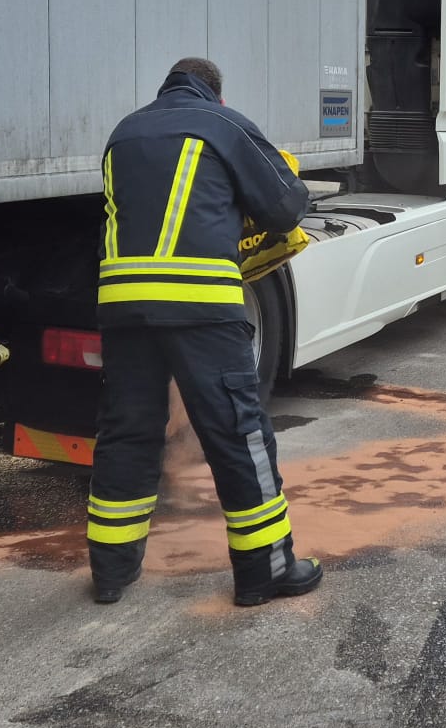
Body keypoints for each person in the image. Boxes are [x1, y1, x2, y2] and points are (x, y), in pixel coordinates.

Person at [87, 57, 322, 606]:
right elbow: (287, 207)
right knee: (238, 434)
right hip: (200, 307)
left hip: (123, 307)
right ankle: (266, 569)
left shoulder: (123, 133)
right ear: (215, 94)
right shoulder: (224, 125)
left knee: (127, 433)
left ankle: (111, 572)